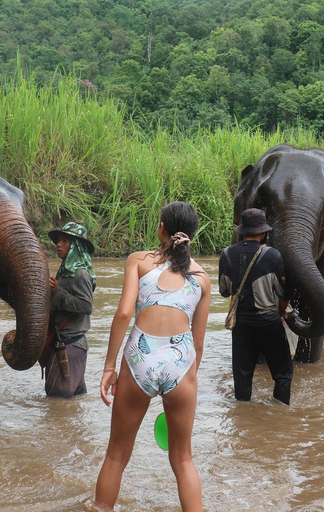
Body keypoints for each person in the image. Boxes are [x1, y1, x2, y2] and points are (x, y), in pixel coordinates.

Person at [95, 202, 210, 512]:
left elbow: (122, 314)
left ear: (161, 228)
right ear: (193, 236)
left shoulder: (139, 262)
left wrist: (109, 366)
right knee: (183, 459)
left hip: (139, 360)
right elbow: (197, 344)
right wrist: (188, 379)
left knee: (116, 455)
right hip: (181, 362)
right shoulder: (201, 278)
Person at [218, 208, 294, 405]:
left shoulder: (227, 254)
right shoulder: (273, 255)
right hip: (269, 323)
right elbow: (284, 294)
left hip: (241, 326)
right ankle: (280, 414)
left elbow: (225, 291)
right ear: (263, 232)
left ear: (243, 231)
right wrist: (280, 314)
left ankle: (243, 417)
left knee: (242, 377)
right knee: (282, 374)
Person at [45, 222, 96, 398]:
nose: (58, 245)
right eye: (58, 240)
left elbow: (86, 306)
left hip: (68, 346)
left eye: (64, 241)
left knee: (57, 402)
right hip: (70, 345)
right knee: (73, 402)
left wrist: (57, 291)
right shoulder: (66, 271)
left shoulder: (80, 274)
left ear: (75, 246)